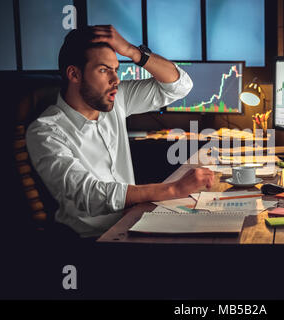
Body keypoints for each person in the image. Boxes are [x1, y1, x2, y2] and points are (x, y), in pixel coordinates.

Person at [26, 25, 214, 238]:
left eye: (116, 69)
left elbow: (181, 86)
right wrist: (172, 190)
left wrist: (134, 52)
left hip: (135, 221)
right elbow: (88, 194)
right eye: (104, 70)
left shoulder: (117, 98)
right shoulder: (45, 132)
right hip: (95, 239)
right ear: (74, 74)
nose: (115, 80)